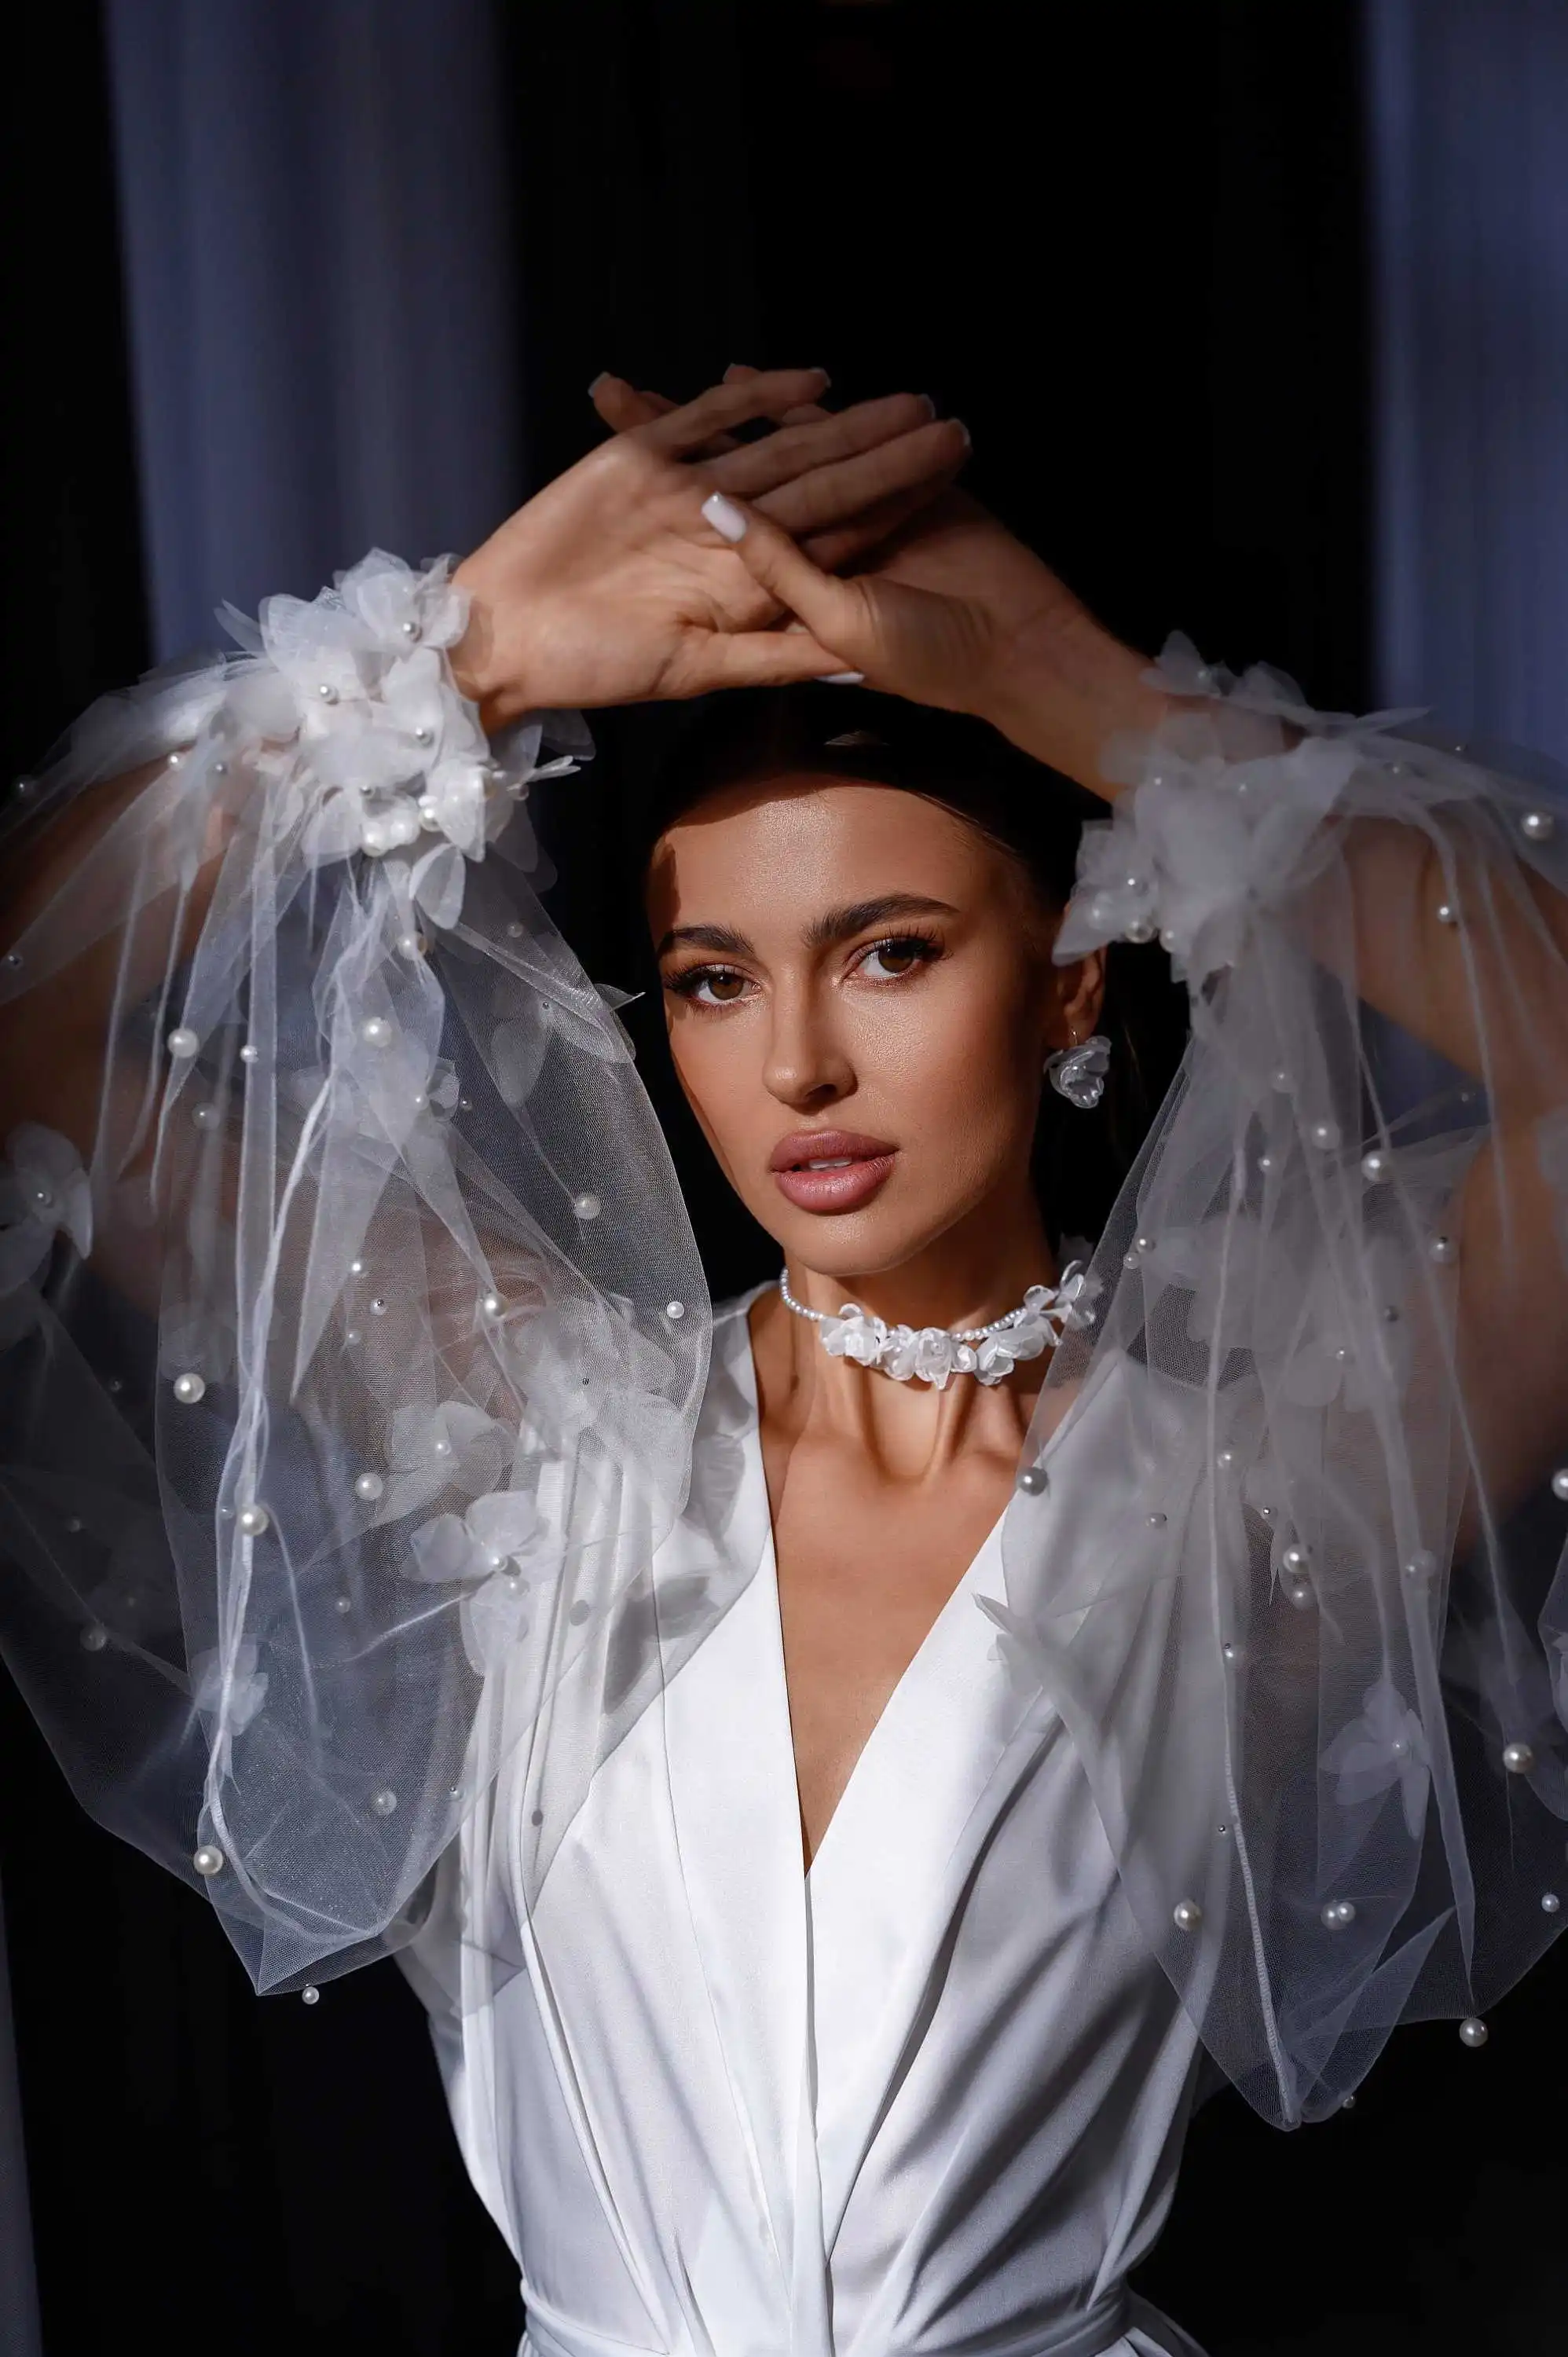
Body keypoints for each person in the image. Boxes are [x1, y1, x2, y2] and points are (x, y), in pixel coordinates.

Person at [2, 364, 1566, 2357]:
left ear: (1072, 972)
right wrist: (458, 648)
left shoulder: (1244, 1500)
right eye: (713, 981)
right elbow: (32, 1022)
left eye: (891, 950)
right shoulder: (534, 1441)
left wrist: (1096, 703)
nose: (798, 1064)